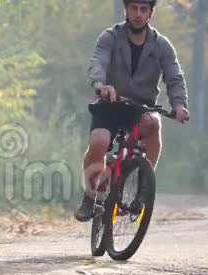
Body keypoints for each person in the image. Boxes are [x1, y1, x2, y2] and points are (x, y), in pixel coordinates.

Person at [74, 0, 190, 222]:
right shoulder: (110, 37)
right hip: (110, 102)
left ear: (151, 12)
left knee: (154, 124)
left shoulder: (162, 45)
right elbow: (98, 62)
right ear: (126, 9)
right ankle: (90, 196)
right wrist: (100, 85)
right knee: (99, 142)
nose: (138, 14)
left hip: (141, 108)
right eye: (133, 8)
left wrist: (179, 105)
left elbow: (174, 77)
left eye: (143, 9)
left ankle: (144, 187)